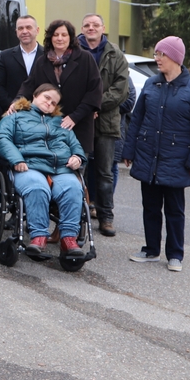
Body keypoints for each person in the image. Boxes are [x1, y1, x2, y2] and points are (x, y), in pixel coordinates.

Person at [122, 36, 190, 272]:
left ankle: (175, 255)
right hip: (148, 155)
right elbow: (137, 119)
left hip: (176, 160)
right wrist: (128, 149)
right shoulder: (152, 84)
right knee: (150, 206)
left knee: (174, 210)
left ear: (175, 58)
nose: (157, 59)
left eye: (161, 54)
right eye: (156, 54)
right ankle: (151, 250)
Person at [0, 84, 87, 258]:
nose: (49, 103)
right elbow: (1, 138)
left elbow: (75, 144)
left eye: (53, 102)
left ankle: (69, 239)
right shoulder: (15, 116)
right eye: (46, 97)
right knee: (37, 187)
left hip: (60, 168)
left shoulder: (60, 123)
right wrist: (17, 159)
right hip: (29, 165)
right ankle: (39, 236)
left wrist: (77, 157)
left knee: (74, 188)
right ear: (35, 95)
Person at [78, 13, 130, 237]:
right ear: (82, 28)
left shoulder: (115, 54)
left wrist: (95, 106)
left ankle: (106, 216)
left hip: (106, 122)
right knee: (77, 169)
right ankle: (77, 214)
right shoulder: (74, 52)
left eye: (95, 25)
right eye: (87, 25)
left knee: (105, 173)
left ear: (103, 28)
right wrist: (85, 109)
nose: (91, 28)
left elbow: (121, 88)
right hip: (79, 121)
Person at [16, 19, 102, 156]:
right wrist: (16, 103)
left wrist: (75, 116)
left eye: (64, 35)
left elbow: (94, 92)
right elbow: (29, 86)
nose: (60, 38)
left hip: (78, 126)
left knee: (76, 172)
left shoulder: (85, 58)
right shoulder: (42, 61)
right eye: (56, 35)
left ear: (71, 37)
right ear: (50, 38)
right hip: (48, 129)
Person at [0, 15, 44, 114]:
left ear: (37, 30)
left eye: (28, 27)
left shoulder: (48, 55)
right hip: (13, 113)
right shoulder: (5, 56)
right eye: (20, 28)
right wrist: (13, 105)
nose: (24, 31)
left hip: (42, 113)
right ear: (16, 32)